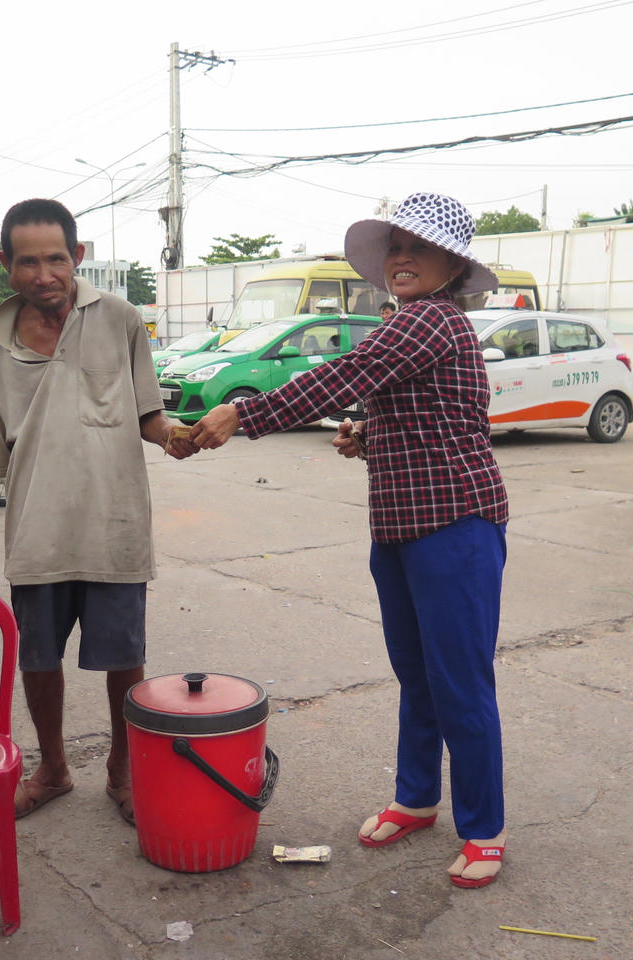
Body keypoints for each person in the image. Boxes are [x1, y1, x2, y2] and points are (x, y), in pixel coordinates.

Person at [191, 192, 511, 888]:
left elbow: (344, 375)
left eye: (417, 247)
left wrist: (243, 412)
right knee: (417, 677)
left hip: (456, 526)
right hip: (400, 528)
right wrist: (368, 435)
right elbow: (442, 416)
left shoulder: (430, 320)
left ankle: (485, 830)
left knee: (460, 684)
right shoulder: (416, 326)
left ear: (452, 264)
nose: (401, 258)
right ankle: (417, 798)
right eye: (394, 246)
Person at [0, 198, 197, 825]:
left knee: (123, 656)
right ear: (7, 265)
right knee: (38, 658)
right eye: (28, 262)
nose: (43, 274)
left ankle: (122, 772)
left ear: (77, 257)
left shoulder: (121, 319)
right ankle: (52, 768)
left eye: (56, 258)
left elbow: (147, 413)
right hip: (37, 526)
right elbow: (6, 439)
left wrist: (174, 434)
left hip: (114, 521)